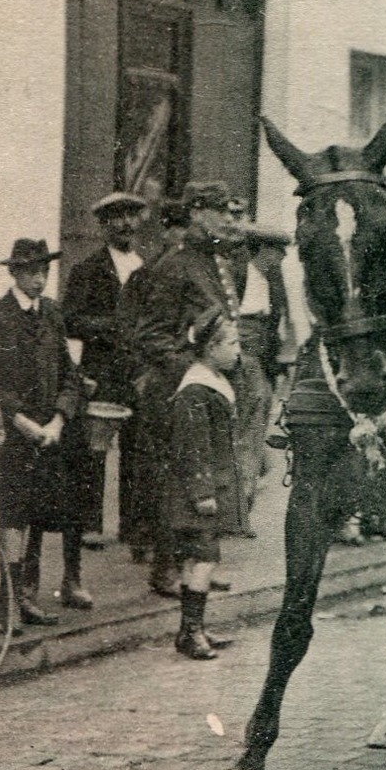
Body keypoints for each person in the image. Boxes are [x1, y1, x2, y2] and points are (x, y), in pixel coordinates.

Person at [130, 181, 244, 596]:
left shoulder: (219, 262)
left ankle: (199, 566)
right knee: (173, 482)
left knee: (208, 479)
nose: (230, 219)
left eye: (232, 212)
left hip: (209, 389)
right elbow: (151, 336)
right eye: (220, 211)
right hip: (178, 391)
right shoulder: (174, 266)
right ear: (196, 213)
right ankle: (165, 568)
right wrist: (197, 368)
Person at [0, 239, 83, 625]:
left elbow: (69, 375)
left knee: (40, 514)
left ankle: (26, 596)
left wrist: (59, 418)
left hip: (49, 434)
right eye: (30, 271)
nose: (39, 279)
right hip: (17, 435)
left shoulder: (53, 314)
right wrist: (22, 422)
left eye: (43, 271)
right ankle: (3, 602)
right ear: (14, 273)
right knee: (13, 516)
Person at [62, 191, 151, 552]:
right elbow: (70, 320)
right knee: (95, 447)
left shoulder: (146, 268)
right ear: (103, 225)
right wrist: (112, 327)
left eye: (132, 216)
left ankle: (133, 526)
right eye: (117, 217)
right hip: (102, 369)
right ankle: (89, 524)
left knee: (138, 445)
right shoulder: (88, 269)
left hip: (138, 370)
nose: (126, 224)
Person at [165, 305, 245, 659]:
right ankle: (191, 631)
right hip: (197, 492)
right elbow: (192, 447)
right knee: (204, 559)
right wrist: (202, 493)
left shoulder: (214, 382)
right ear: (211, 348)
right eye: (232, 343)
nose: (237, 350)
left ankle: (191, 628)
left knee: (194, 558)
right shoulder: (195, 391)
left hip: (208, 488)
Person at [229, 224, 291, 531]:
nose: (282, 256)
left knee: (253, 432)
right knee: (248, 433)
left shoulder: (272, 281)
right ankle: (238, 510)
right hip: (243, 360)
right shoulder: (239, 275)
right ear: (263, 250)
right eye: (277, 250)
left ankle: (242, 506)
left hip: (262, 360)